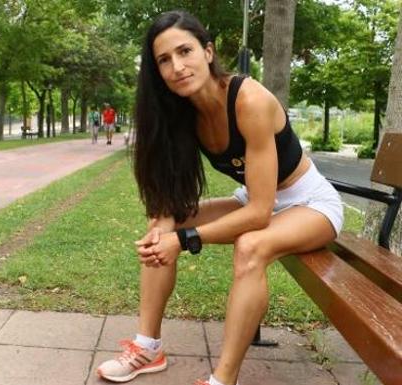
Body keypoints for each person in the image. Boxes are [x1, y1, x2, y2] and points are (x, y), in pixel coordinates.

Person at [96, 10, 343, 385]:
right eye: (164, 60)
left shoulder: (249, 100)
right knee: (163, 224)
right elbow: (173, 200)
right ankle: (148, 347)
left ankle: (222, 380)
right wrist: (163, 228)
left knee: (251, 246)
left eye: (185, 51)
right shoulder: (180, 113)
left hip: (310, 205)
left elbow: (260, 214)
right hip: (254, 199)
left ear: (207, 52)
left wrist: (185, 240)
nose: (177, 66)